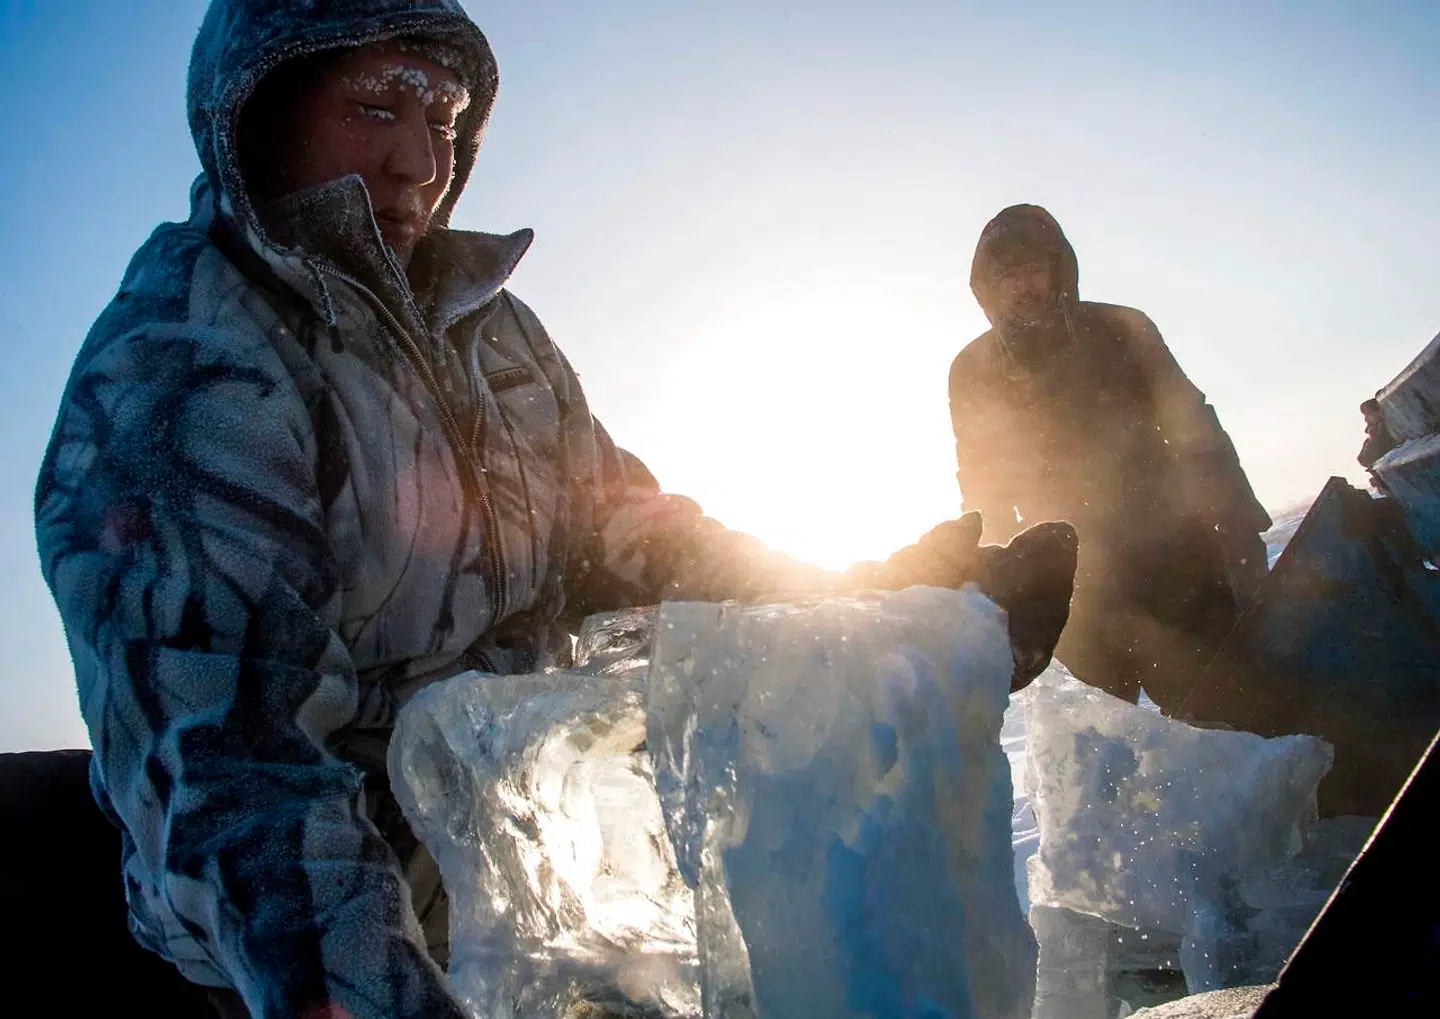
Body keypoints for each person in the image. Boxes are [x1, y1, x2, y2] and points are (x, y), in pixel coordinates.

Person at [31, 4, 1075, 1017]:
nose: (421, 161)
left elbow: (635, 538)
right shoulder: (184, 367)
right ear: (259, 106)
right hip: (302, 962)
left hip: (523, 908)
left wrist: (891, 606)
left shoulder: (497, 333)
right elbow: (238, 762)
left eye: (443, 120)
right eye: (378, 105)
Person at [948, 204, 1272, 712]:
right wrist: (994, 581)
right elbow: (981, 479)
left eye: (1034, 269)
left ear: (1059, 269)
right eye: (1007, 277)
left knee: (1228, 723)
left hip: (1176, 561)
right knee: (1103, 754)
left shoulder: (1123, 328)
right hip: (1074, 587)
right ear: (987, 291)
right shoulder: (972, 370)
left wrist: (1239, 525)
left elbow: (1195, 428)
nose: (1024, 286)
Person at [1357, 398, 1399, 470]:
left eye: (1368, 414)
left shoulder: (1396, 427)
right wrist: (1374, 437)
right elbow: (1364, 460)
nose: (1366, 419)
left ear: (1380, 411)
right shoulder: (1373, 434)